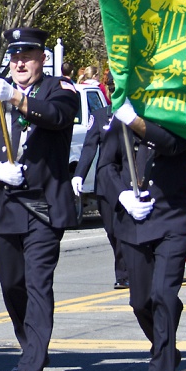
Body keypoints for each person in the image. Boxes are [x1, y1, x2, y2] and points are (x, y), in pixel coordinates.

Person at [0, 26, 77, 371]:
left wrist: (15, 98)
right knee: (12, 282)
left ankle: (31, 366)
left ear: (43, 58)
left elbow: (57, 117)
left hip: (42, 202)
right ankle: (31, 343)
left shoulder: (59, 89)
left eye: (28, 56)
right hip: (4, 203)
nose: (20, 62)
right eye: (14, 56)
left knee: (38, 282)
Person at [93, 102, 186, 371]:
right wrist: (121, 194)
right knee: (141, 302)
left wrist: (136, 122)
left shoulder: (181, 110)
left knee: (163, 294)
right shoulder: (123, 116)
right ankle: (168, 345)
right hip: (134, 220)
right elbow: (106, 165)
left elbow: (173, 144)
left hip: (172, 217)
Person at [75, 102, 128, 289]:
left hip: (128, 181)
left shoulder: (136, 113)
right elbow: (89, 147)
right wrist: (79, 174)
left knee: (125, 230)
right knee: (112, 231)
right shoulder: (99, 116)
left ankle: (124, 275)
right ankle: (126, 269)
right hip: (106, 183)